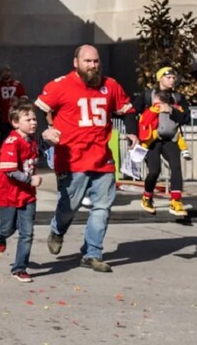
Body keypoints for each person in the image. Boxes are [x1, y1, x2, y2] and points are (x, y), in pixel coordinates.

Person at [34, 44, 137, 273]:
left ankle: (92, 253)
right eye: (88, 61)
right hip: (72, 159)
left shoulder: (110, 85)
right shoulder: (60, 85)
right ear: (76, 63)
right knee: (69, 206)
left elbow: (128, 111)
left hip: (102, 159)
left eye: (96, 61)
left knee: (102, 207)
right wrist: (45, 130)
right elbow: (38, 108)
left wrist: (132, 132)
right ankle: (57, 230)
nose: (93, 66)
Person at [0, 99, 42, 283]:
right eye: (28, 119)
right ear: (15, 123)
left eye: (34, 119)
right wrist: (31, 180)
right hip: (8, 195)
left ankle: (19, 268)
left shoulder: (32, 141)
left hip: (28, 196)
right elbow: (10, 170)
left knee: (27, 233)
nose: (33, 122)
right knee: (8, 228)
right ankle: (0, 234)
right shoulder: (12, 142)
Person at [127, 89, 190, 217]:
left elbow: (185, 118)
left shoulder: (177, 99)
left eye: (173, 77)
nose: (172, 80)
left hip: (170, 139)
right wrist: (133, 134)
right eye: (168, 77)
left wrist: (171, 110)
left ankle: (176, 201)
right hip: (152, 141)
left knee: (176, 167)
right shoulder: (147, 97)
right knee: (154, 170)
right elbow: (140, 118)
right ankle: (147, 196)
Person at [0, 64, 29, 145]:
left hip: (16, 115)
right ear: (0, 73)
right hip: (3, 116)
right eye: (3, 72)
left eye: (7, 71)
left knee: (18, 135)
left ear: (10, 72)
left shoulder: (17, 84)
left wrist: (18, 100)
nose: (5, 73)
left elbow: (25, 98)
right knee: (4, 136)